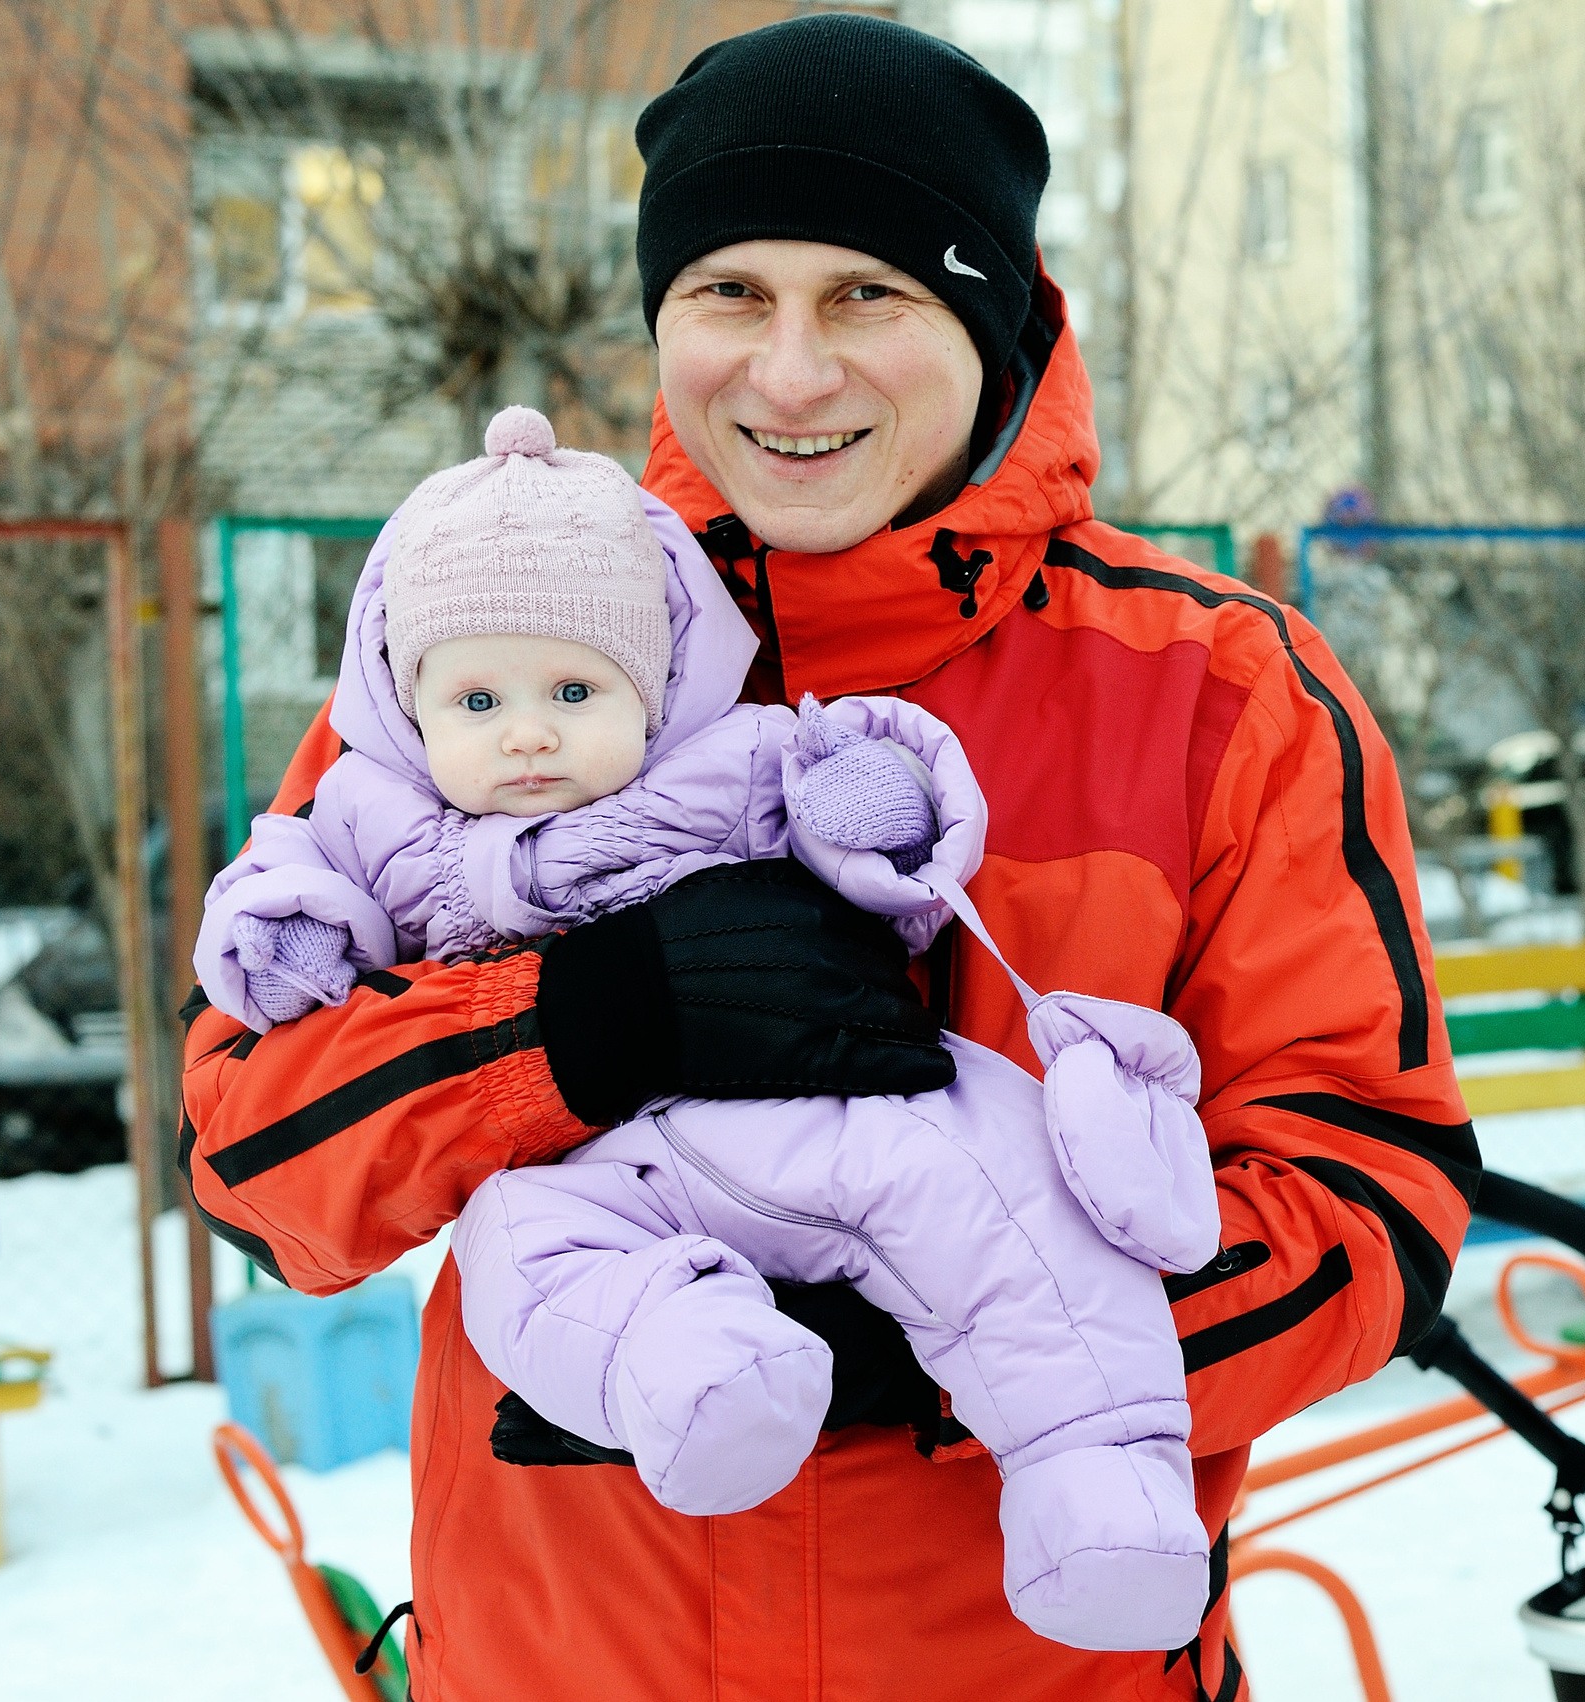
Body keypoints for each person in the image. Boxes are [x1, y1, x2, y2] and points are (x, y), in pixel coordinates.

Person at [181, 14, 1476, 1699]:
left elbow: (1372, 1202)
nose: (789, 373)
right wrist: (568, 1033)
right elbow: (254, 1169)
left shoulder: (1218, 696)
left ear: (993, 319)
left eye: (868, 294)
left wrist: (938, 1350)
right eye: (731, 294)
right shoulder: (482, 663)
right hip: (562, 1659)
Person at [190, 404, 1218, 1651]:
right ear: (408, 707)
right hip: (601, 1175)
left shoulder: (733, 758)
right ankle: (698, 1376)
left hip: (835, 1116)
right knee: (522, 1261)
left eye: (576, 688)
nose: (526, 730)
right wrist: (290, 942)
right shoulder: (374, 807)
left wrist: (877, 827)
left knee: (1002, 1204)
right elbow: (286, 936)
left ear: (659, 684)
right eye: (476, 698)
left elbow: (877, 852)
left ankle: (1097, 1490)